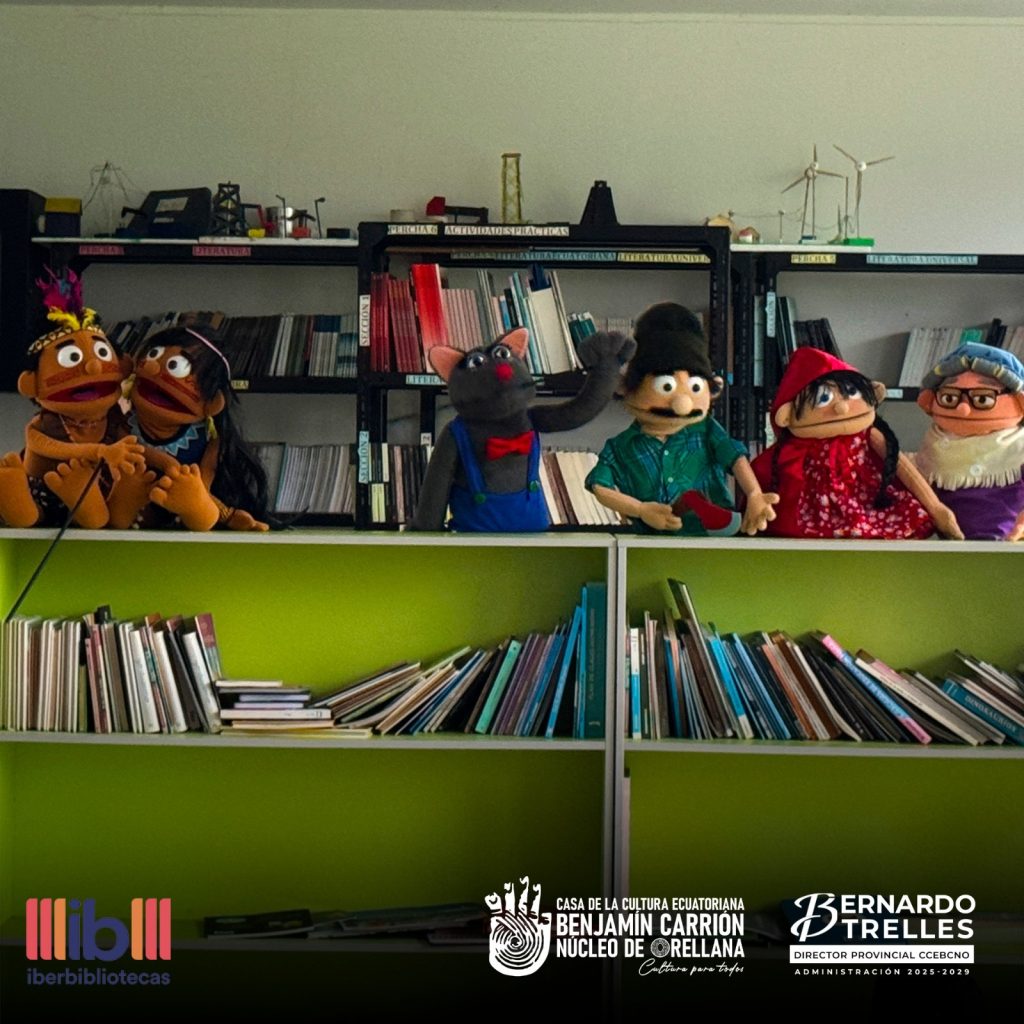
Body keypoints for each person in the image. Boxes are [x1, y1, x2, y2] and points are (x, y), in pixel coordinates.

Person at [586, 302, 777, 536]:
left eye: (695, 386)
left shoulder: (707, 430)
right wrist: (641, 510)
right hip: (649, 544)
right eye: (665, 386)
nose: (682, 403)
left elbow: (735, 456)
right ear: (625, 388)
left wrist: (755, 493)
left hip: (713, 544)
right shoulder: (620, 447)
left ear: (712, 388)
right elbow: (600, 485)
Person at [750, 347, 961, 539]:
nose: (842, 407)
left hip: (868, 506)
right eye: (823, 398)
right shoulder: (792, 450)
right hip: (807, 520)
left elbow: (903, 468)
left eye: (851, 392)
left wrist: (936, 508)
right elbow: (762, 474)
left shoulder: (870, 436)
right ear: (787, 415)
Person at [914, 342, 1024, 540]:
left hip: (1009, 545)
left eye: (982, 399)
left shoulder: (1019, 447)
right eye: (950, 398)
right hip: (947, 545)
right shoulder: (932, 445)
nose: (962, 409)